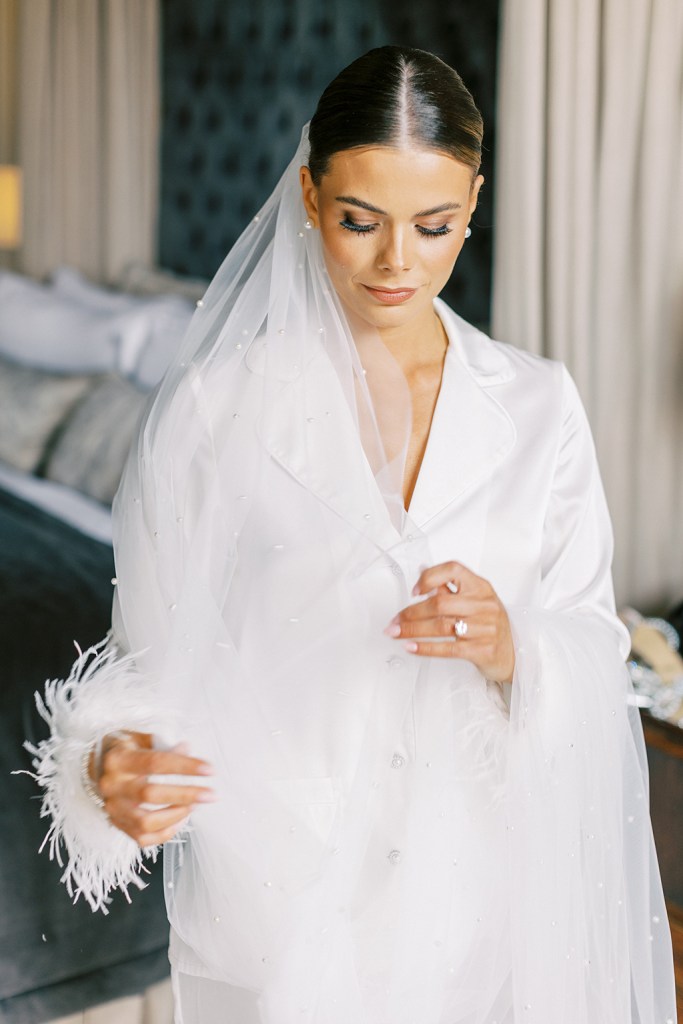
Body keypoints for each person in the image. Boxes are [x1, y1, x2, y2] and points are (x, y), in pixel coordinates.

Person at [26, 46, 677, 1024]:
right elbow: (141, 671)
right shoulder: (212, 412)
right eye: (359, 221)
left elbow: (588, 640)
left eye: (435, 226)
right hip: (275, 920)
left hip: (478, 911)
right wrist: (106, 767)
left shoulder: (539, 408)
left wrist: (512, 645)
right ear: (307, 193)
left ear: (473, 201)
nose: (394, 263)